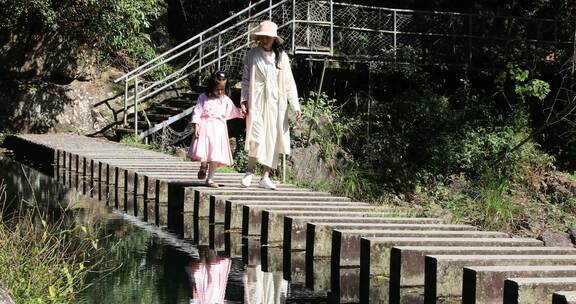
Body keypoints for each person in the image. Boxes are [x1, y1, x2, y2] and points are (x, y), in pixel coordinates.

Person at [239, 20, 302, 190]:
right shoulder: (251, 54)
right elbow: (245, 80)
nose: (265, 39)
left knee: (273, 138)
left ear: (274, 38)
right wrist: (243, 100)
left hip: (276, 102)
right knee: (256, 136)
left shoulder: (281, 57)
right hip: (257, 101)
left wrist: (295, 105)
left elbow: (289, 83)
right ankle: (249, 172)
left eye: (268, 37)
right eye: (262, 36)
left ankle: (265, 175)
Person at [188, 71, 244, 188]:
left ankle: (210, 179)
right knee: (205, 150)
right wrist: (196, 125)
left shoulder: (226, 100)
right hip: (205, 128)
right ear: (211, 86)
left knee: (216, 154)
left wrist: (243, 112)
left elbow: (234, 111)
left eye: (222, 89)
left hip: (219, 130)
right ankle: (203, 166)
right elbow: (197, 111)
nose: (219, 92)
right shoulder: (203, 97)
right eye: (217, 89)